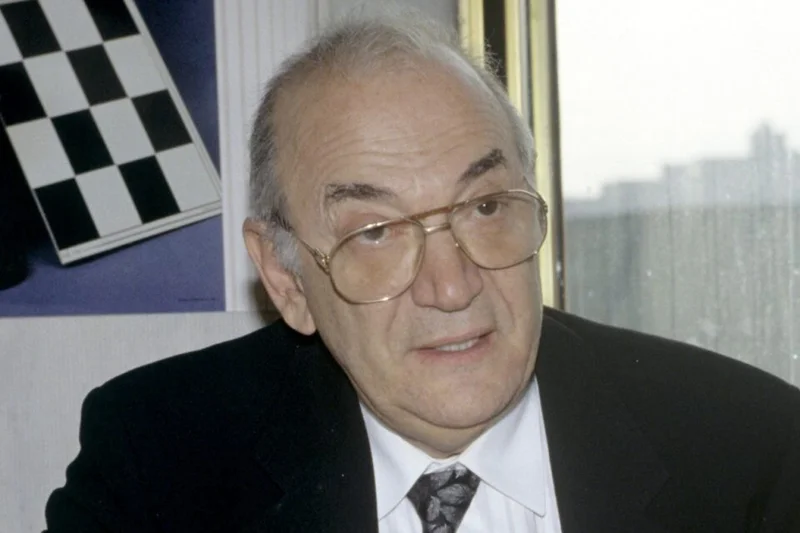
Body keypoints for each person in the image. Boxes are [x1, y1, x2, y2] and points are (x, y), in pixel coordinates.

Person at [45, 10, 800, 533]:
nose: (452, 286)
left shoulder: (748, 451)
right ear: (285, 280)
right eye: (375, 232)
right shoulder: (159, 463)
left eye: (485, 206)